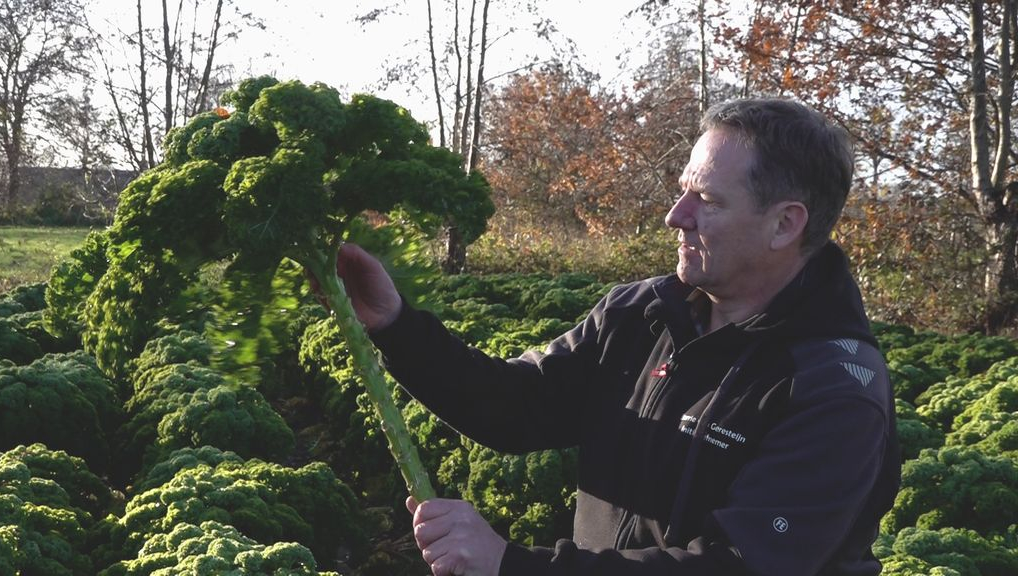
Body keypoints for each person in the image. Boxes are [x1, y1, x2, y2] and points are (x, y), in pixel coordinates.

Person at [336, 97, 901, 576]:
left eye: (706, 200)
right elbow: (516, 406)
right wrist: (395, 324)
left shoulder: (832, 386)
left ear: (785, 223)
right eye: (683, 191)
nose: (675, 216)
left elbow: (736, 564)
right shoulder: (644, 313)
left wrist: (511, 564)